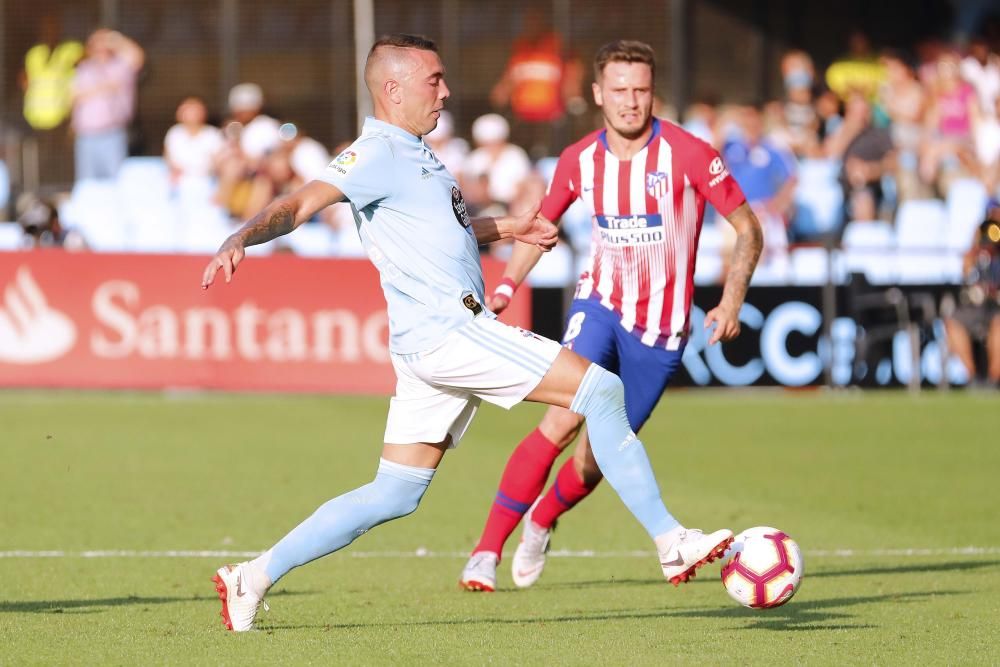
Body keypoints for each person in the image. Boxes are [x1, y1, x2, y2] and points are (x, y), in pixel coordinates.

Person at [202, 34, 739, 632]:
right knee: (602, 390)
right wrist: (241, 237)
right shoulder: (376, 152)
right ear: (393, 88)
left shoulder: (418, 154)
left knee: (395, 493)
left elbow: (445, 232)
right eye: (435, 80)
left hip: (425, 347)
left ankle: (251, 576)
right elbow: (300, 205)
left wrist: (508, 227)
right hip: (451, 331)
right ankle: (671, 541)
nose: (447, 91)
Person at [458, 40, 763, 592]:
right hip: (599, 306)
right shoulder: (580, 160)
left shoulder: (691, 154)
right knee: (560, 418)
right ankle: (485, 552)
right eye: (619, 90)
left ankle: (543, 520)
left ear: (653, 93)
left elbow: (748, 227)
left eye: (641, 90)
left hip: (663, 331)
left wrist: (731, 299)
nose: (630, 102)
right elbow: (538, 228)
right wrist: (505, 286)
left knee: (596, 458)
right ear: (598, 93)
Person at [71, 29, 144, 180]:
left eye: (104, 44)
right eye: (96, 45)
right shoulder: (84, 69)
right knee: (88, 182)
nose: (100, 49)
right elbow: (75, 97)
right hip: (86, 135)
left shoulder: (120, 67)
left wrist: (114, 39)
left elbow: (137, 57)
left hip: (112, 133)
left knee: (115, 179)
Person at [944, 214, 1000, 387]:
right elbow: (965, 277)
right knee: (953, 322)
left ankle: (994, 378)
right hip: (973, 308)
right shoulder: (975, 256)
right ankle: (972, 377)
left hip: (995, 309)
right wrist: (975, 250)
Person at [163, 96, 223, 183]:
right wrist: (174, 170)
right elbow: (167, 155)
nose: (192, 115)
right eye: (188, 111)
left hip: (206, 179)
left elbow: (218, 160)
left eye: (195, 111)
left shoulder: (213, 134)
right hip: (178, 179)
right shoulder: (174, 132)